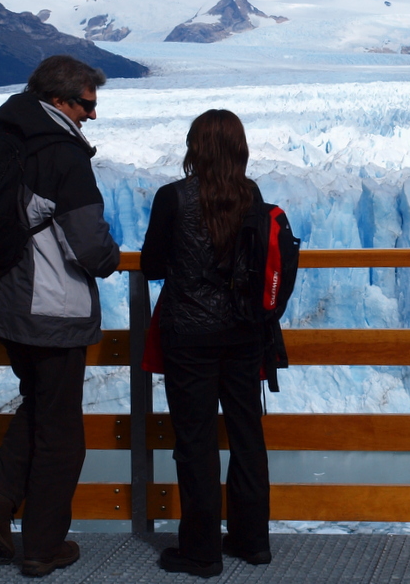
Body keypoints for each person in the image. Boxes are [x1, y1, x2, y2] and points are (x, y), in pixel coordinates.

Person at [0, 55, 120, 577]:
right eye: (87, 104)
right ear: (60, 100)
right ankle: (42, 547)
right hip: (48, 307)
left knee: (40, 404)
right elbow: (90, 245)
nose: (92, 115)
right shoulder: (61, 154)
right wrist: (114, 261)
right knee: (62, 433)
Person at [142, 109, 273, 578]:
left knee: (195, 442)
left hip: (190, 336)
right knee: (246, 434)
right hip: (243, 334)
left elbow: (153, 264)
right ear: (239, 148)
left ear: (195, 147)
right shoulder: (252, 195)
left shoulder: (173, 197)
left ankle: (201, 552)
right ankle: (253, 541)